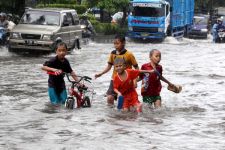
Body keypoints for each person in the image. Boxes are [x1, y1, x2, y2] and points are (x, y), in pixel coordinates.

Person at [95, 34, 139, 105]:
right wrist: (101, 73)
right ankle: (111, 115)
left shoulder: (129, 54)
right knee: (109, 98)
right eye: (114, 44)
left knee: (128, 100)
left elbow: (136, 68)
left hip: (126, 81)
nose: (115, 45)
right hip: (115, 79)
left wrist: (135, 80)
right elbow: (109, 66)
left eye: (117, 43)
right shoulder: (113, 53)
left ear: (124, 43)